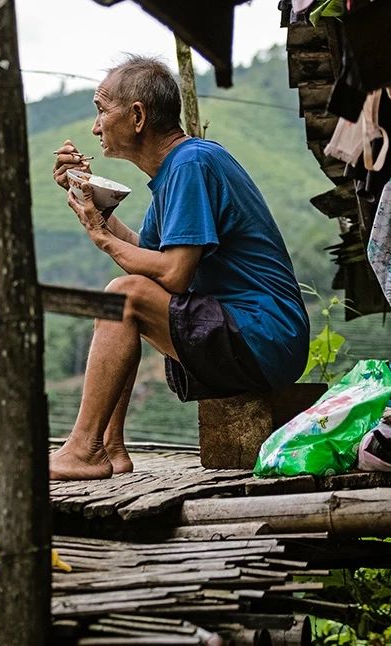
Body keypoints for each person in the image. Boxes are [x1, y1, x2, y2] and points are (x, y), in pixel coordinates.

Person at [50, 55, 309, 481]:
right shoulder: (176, 171)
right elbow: (145, 255)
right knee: (127, 293)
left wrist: (101, 235)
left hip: (264, 335)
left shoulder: (192, 164)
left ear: (137, 116)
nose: (95, 127)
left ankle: (84, 448)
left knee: (123, 296)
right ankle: (109, 447)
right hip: (251, 336)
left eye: (101, 110)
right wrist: (90, 201)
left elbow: (172, 275)